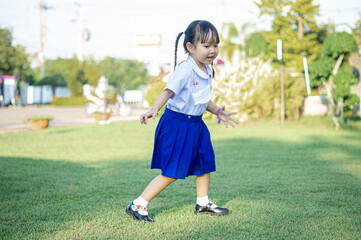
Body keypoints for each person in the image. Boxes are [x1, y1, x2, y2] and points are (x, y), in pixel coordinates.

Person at [125, 20, 238, 222]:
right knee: (173, 170)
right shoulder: (185, 70)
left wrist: (218, 111)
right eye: (206, 46)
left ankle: (202, 204)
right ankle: (138, 204)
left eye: (215, 45)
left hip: (196, 124)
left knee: (204, 163)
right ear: (190, 47)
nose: (212, 50)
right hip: (177, 124)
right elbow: (168, 91)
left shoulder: (207, 69)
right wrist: (154, 109)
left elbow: (202, 99)